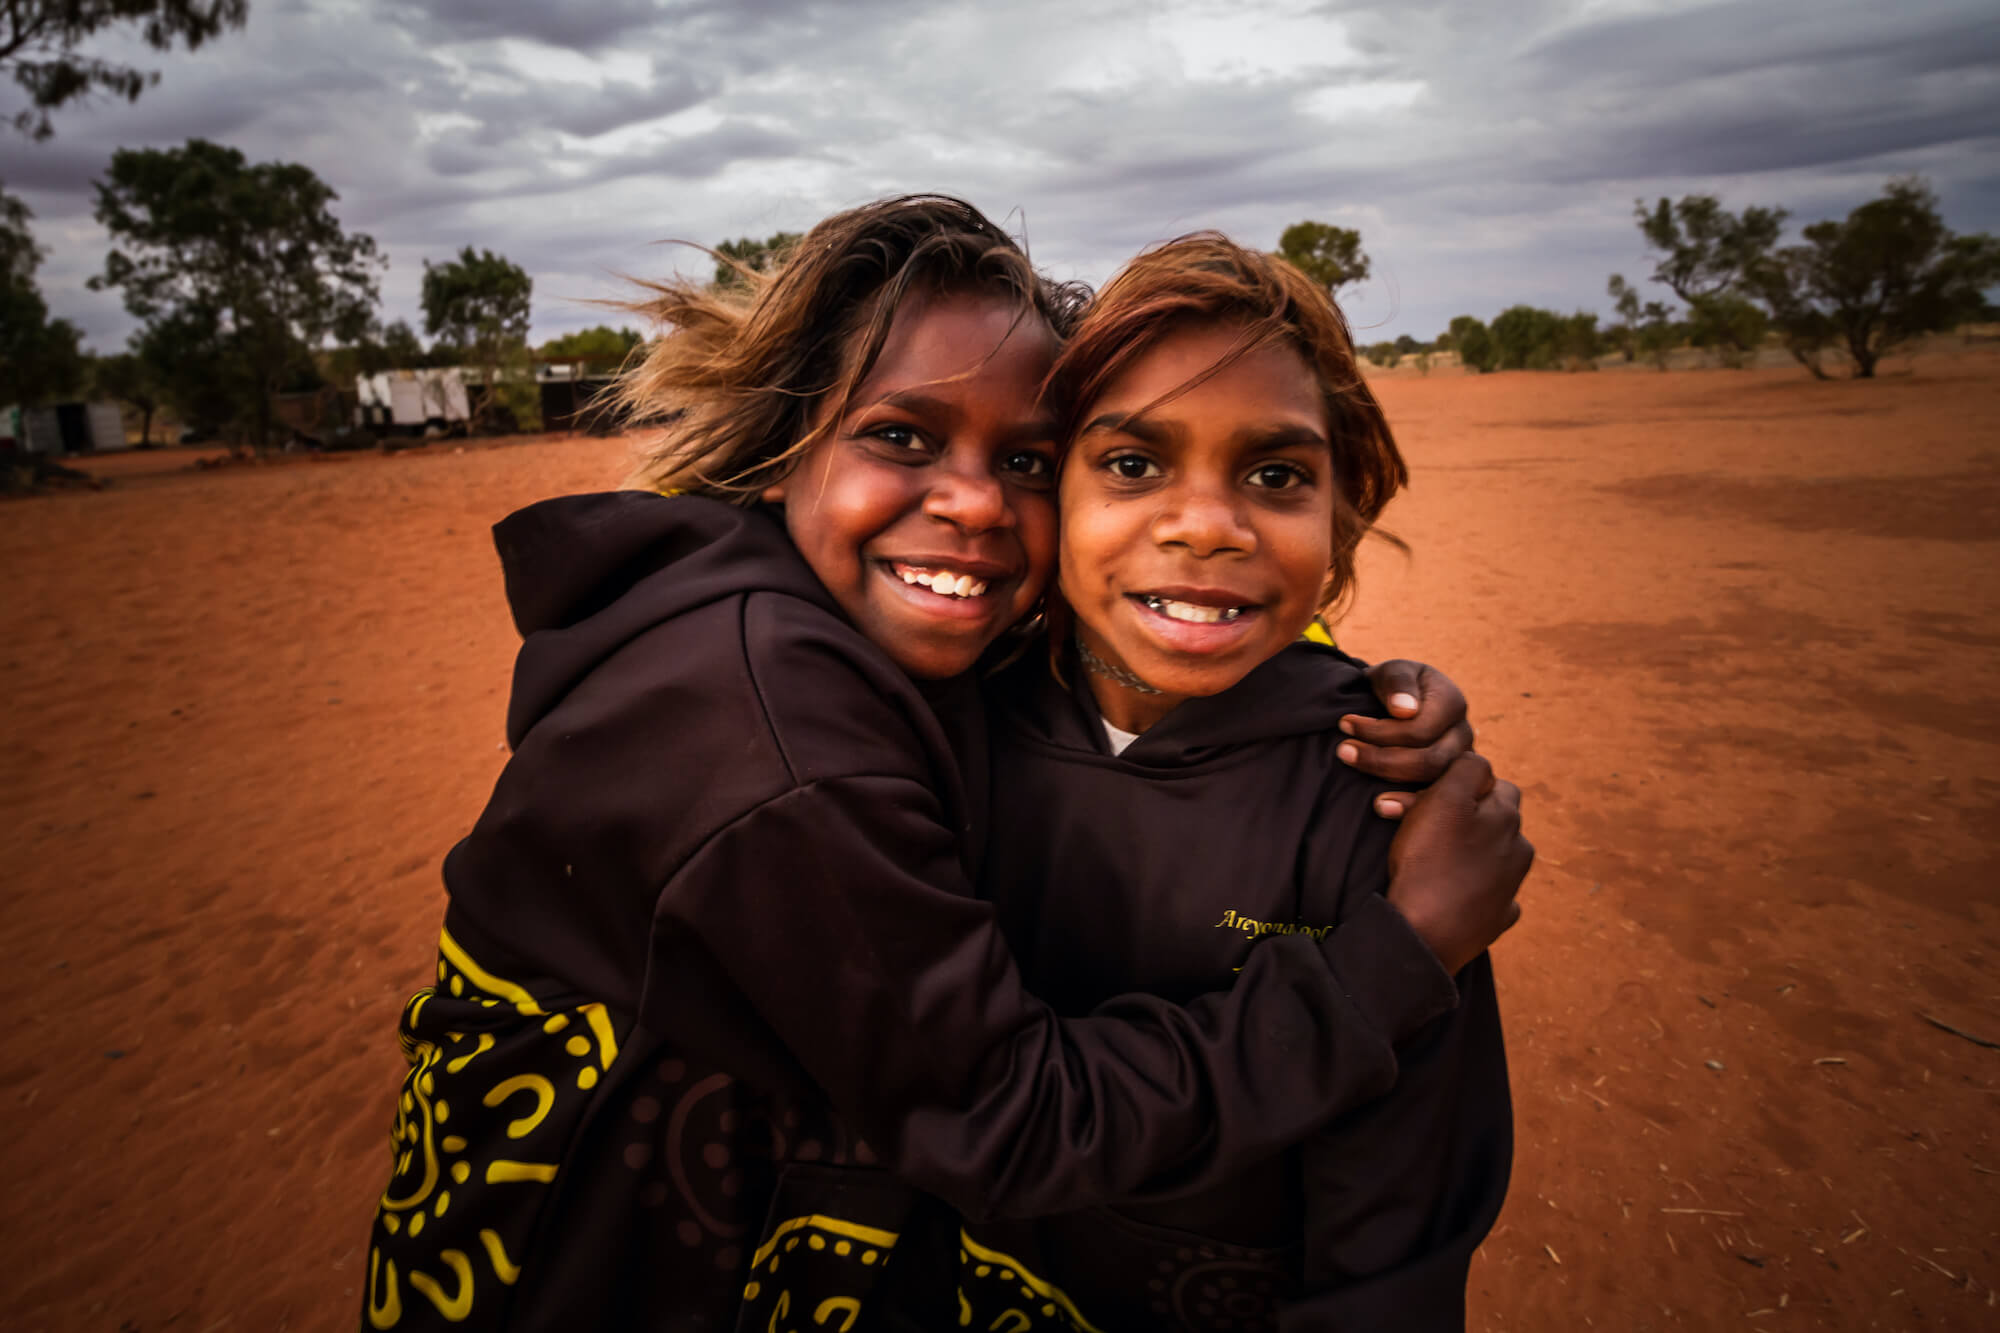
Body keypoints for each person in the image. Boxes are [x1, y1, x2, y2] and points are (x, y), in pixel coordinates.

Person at [360, 197, 1522, 1332]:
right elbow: (1008, 1119)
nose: (971, 499)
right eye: (900, 435)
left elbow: (1395, 1244)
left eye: (1023, 457)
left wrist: (1336, 681)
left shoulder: (1343, 794)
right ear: (782, 446)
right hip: (587, 1251)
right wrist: (1394, 956)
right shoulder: (777, 743)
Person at [877, 232, 1523, 1333]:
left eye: (1275, 476)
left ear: (1344, 509)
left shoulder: (1377, 809)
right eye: (1130, 465)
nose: (1204, 527)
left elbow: (1390, 1241)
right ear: (1049, 485)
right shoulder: (949, 724)